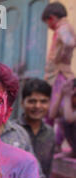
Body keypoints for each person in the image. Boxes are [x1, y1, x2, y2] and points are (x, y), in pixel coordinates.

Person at [42, 2, 76, 150]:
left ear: (51, 18)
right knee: (54, 113)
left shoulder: (62, 27)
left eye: (47, 23)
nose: (48, 27)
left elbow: (69, 43)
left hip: (59, 76)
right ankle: (52, 143)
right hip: (58, 75)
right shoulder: (64, 27)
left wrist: (61, 56)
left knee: (58, 112)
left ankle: (52, 143)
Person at [49, 77, 76, 157]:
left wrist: (67, 96)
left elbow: (69, 119)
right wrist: (61, 94)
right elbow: (52, 115)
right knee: (62, 120)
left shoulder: (68, 99)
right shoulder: (69, 104)